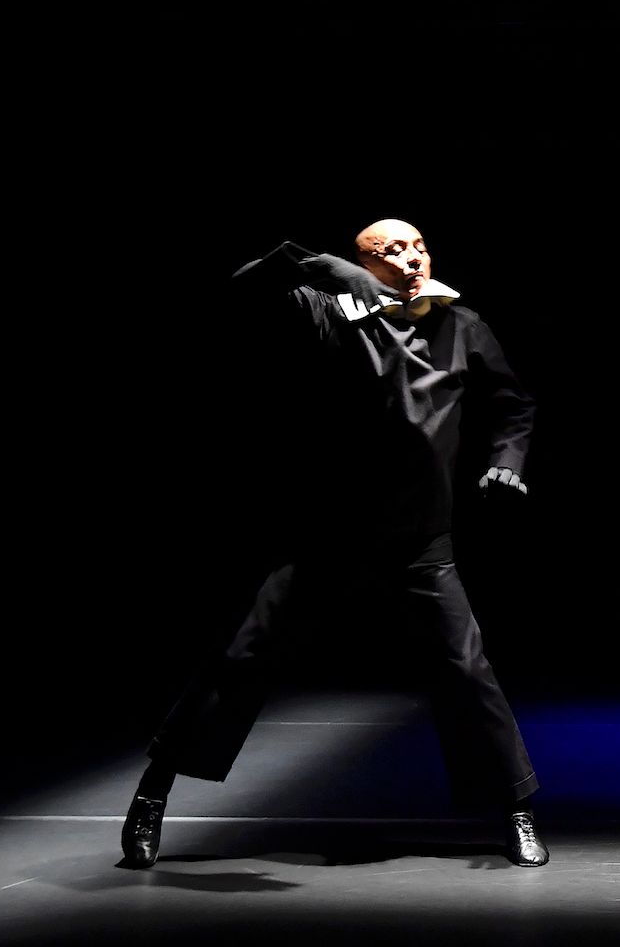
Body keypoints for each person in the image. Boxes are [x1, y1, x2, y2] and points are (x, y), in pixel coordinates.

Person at [120, 218, 549, 868]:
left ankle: (517, 809)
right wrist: (318, 265)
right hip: (330, 533)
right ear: (364, 264)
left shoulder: (462, 324)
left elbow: (514, 402)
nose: (411, 257)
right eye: (391, 250)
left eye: (418, 246)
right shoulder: (329, 311)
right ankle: (154, 792)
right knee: (243, 655)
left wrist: (506, 460)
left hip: (420, 539)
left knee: (467, 670)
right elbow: (243, 289)